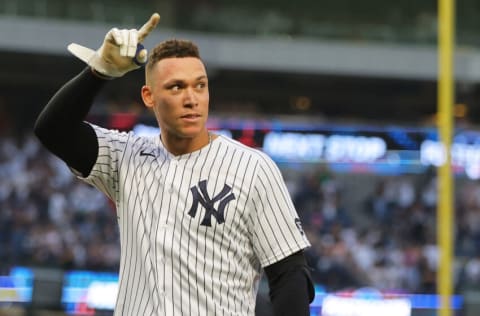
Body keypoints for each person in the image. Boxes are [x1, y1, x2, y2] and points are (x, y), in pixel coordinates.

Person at [34, 13, 314, 316]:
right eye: (176, 87)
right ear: (149, 96)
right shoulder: (126, 156)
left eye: (200, 85)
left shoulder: (253, 167)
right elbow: (53, 130)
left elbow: (290, 275)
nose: (191, 98)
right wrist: (98, 72)